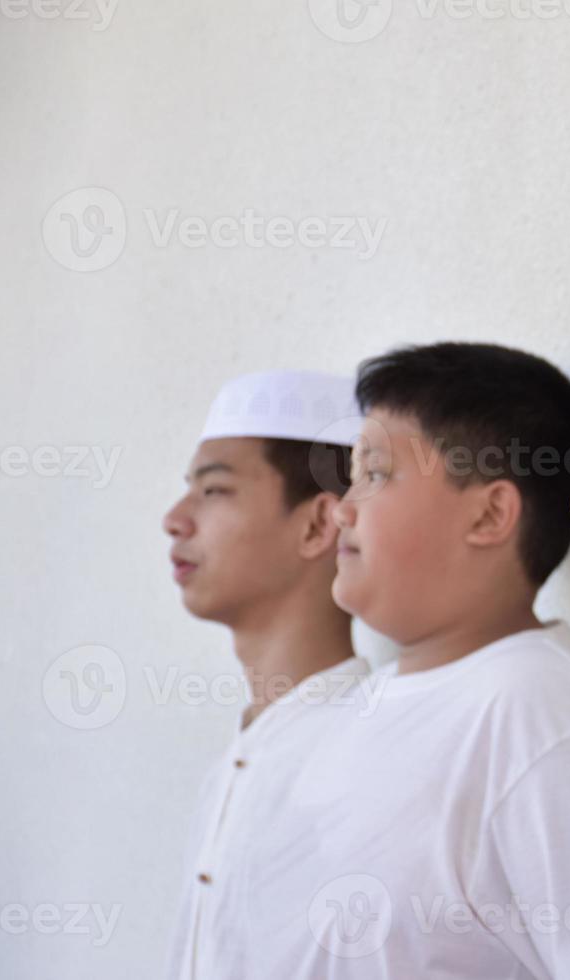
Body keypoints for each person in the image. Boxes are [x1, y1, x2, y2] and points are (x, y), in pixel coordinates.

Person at [305, 341, 570, 978]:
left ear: (489, 514)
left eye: (376, 473)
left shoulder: (539, 710)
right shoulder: (369, 701)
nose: (341, 507)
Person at [162, 369, 370, 980]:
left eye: (214, 491)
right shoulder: (244, 753)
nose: (175, 518)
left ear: (317, 525)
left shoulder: (367, 752)